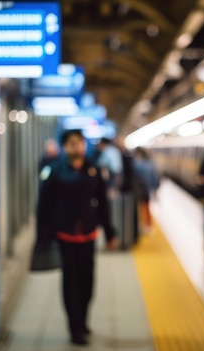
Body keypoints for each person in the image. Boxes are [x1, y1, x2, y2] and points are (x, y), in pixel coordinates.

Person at [37, 129, 118, 345]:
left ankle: (83, 320)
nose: (76, 147)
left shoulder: (93, 170)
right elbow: (43, 205)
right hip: (64, 234)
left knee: (88, 281)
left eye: (79, 143)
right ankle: (75, 328)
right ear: (65, 147)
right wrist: (43, 236)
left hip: (89, 234)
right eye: (72, 143)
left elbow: (103, 203)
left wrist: (110, 232)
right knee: (70, 281)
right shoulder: (54, 170)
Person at [132, 147, 160, 235]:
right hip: (148, 189)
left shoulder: (137, 164)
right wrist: (155, 188)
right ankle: (148, 225)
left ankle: (141, 225)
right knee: (147, 208)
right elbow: (156, 177)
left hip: (139, 190)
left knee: (139, 208)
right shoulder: (151, 163)